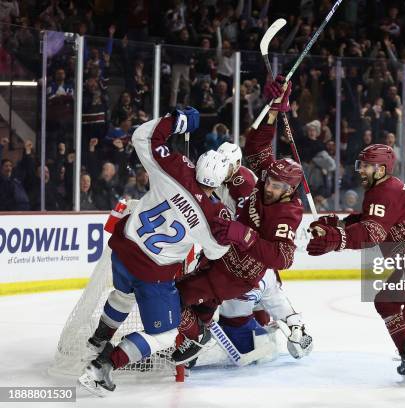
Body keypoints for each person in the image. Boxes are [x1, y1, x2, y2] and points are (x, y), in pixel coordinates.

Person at [78, 107, 232, 396]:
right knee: (165, 335)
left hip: (123, 251)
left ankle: (99, 338)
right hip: (152, 273)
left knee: (122, 296)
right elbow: (216, 251)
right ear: (221, 182)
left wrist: (178, 121)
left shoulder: (174, 166)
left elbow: (141, 136)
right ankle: (102, 366)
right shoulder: (213, 215)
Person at [306, 144, 405, 393]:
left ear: (381, 169)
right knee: (386, 302)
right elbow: (370, 220)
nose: (361, 170)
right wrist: (337, 224)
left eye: (367, 166)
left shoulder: (383, 191)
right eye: (361, 164)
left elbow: (372, 232)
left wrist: (335, 239)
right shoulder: (383, 189)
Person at [172, 76, 310, 364]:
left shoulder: (288, 213)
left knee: (217, 306)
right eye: (270, 181)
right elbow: (257, 145)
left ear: (290, 191)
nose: (270, 187)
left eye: (278, 187)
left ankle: (233, 336)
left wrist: (241, 233)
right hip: (226, 256)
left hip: (242, 270)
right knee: (216, 303)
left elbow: (282, 258)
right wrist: (273, 108)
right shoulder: (263, 180)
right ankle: (221, 334)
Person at [215, 141, 257, 215]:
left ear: (237, 164)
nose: (221, 168)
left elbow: (243, 221)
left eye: (227, 165)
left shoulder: (245, 186)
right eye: (219, 162)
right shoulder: (223, 174)